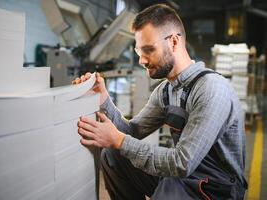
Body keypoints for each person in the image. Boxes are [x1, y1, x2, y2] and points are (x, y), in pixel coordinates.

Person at [74, 4, 247, 200]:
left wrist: (120, 141)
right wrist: (103, 99)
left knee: (170, 188)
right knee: (113, 156)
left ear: (173, 42)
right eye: (139, 51)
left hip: (217, 187)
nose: (142, 60)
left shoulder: (211, 89)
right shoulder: (166, 91)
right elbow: (131, 132)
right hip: (185, 178)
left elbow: (183, 163)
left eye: (148, 50)